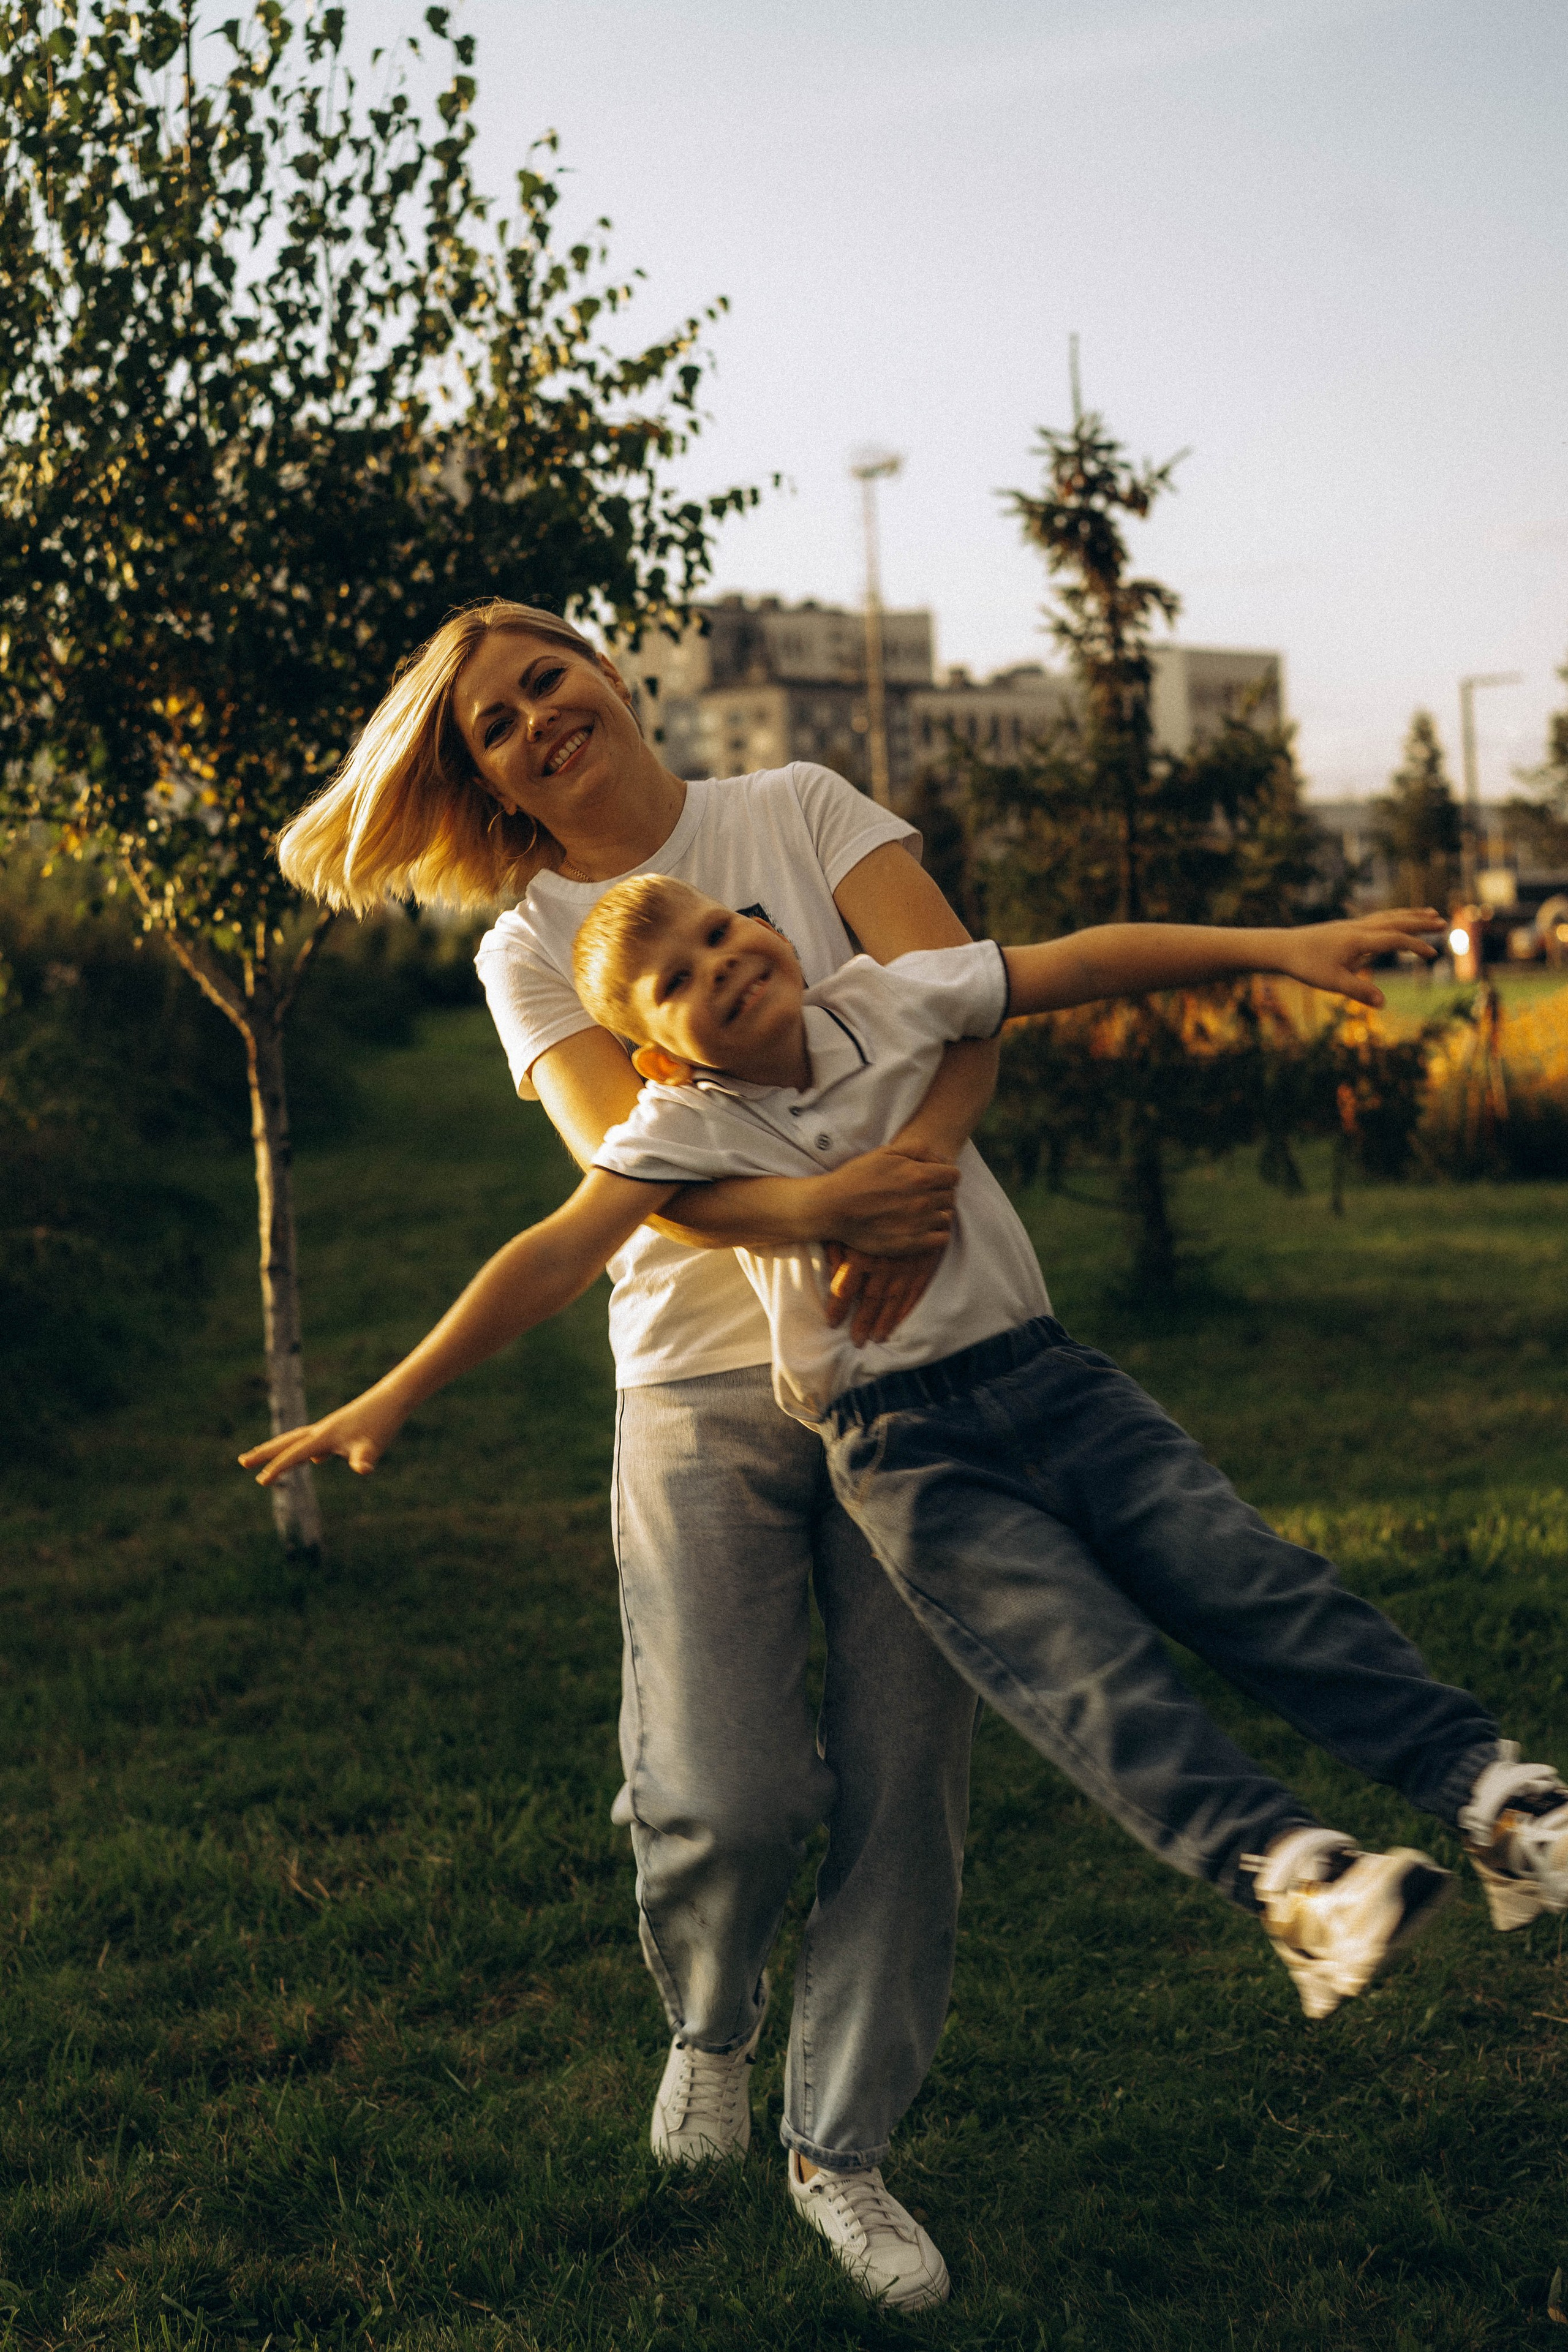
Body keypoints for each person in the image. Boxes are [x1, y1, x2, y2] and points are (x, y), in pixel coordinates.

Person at [244, 874, 1568, 2301]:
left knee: (1254, 1581)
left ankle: (1491, 1797)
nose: (720, 964)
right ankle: (1289, 1880)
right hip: (907, 1454)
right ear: (654, 1053)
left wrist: (1279, 941)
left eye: (717, 931)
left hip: (1059, 1388)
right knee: (1082, 1669)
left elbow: (1073, 960)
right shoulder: (679, 1130)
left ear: (767, 925)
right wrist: (389, 1395)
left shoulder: (883, 999)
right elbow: (554, 1255)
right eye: (679, 980)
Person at [273, 599, 1004, 2313]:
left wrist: (922, 1185)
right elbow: (637, 1168)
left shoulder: (806, 809)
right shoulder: (527, 939)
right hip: (695, 1384)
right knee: (724, 1788)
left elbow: (961, 1009)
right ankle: (712, 2020)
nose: (537, 719)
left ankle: (844, 2148)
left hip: (920, 1353)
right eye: (496, 727)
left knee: (908, 1783)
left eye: (548, 678)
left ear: (609, 668)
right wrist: (833, 1197)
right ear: (487, 784)